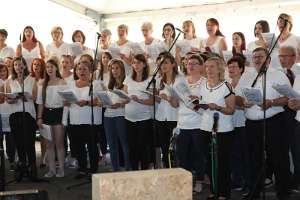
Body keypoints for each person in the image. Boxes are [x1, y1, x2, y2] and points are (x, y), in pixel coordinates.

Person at [236, 47, 291, 200]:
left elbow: (289, 98)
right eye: (254, 57)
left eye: (260, 56)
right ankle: (255, 193)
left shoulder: (278, 75)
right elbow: (237, 97)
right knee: (253, 159)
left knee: (278, 158)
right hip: (252, 124)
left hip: (274, 122)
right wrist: (243, 102)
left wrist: (272, 102)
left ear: (268, 59)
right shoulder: (247, 75)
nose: (257, 59)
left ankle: (283, 193)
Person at [199, 57, 235, 200]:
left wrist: (218, 107)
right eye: (207, 66)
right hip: (205, 127)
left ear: (219, 68)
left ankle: (224, 193)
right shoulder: (204, 85)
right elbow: (202, 106)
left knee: (223, 163)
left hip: (223, 130)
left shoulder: (226, 86)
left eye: (212, 67)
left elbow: (231, 110)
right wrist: (195, 104)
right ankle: (214, 190)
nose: (208, 70)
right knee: (208, 161)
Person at [175, 54, 206, 193]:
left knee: (199, 154)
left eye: (194, 63)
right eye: (188, 63)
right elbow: (176, 103)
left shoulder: (205, 82)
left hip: (198, 124)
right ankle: (185, 183)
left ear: (201, 66)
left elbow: (207, 102)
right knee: (183, 156)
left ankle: (199, 181)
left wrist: (198, 99)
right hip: (183, 123)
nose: (190, 65)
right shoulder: (180, 81)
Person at [4, 57, 39, 181]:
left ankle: (33, 170)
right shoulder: (9, 81)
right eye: (16, 65)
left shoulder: (32, 79)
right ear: (13, 67)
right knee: (19, 143)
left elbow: (35, 97)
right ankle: (22, 168)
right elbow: (7, 98)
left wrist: (26, 97)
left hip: (28, 114)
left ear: (24, 66)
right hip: (14, 114)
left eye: (20, 65)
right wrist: (13, 99)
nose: (18, 67)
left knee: (29, 143)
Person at [67, 59, 102, 178]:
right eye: (79, 69)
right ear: (76, 71)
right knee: (78, 146)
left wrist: (87, 102)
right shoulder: (71, 84)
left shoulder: (96, 84)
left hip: (90, 120)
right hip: (75, 119)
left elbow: (100, 100)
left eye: (84, 69)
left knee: (92, 145)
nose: (81, 71)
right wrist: (66, 100)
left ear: (90, 71)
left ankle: (93, 169)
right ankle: (82, 168)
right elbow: (66, 100)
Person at [36, 59, 67, 178]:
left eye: (52, 67)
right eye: (47, 67)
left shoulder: (62, 82)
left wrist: (64, 120)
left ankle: (61, 170)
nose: (49, 69)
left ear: (56, 68)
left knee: (59, 144)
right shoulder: (42, 83)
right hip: (46, 114)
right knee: (49, 144)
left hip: (58, 113)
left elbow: (66, 103)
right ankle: (52, 170)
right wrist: (39, 117)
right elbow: (40, 103)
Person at [124, 54, 153, 170]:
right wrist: (125, 98)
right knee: (132, 146)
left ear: (144, 65)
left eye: (139, 63)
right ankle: (134, 171)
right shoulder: (128, 78)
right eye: (134, 62)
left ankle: (144, 171)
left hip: (144, 118)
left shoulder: (150, 80)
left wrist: (140, 100)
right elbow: (125, 95)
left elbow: (153, 101)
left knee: (143, 147)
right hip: (129, 117)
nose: (136, 65)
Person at [104, 59, 130, 171]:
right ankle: (115, 168)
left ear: (122, 69)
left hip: (121, 115)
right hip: (108, 116)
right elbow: (107, 99)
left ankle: (128, 167)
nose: (114, 71)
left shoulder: (127, 82)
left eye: (117, 68)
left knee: (124, 143)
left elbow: (128, 100)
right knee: (112, 144)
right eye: (112, 68)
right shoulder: (109, 83)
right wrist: (102, 102)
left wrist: (119, 104)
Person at [227, 56, 248, 191]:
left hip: (243, 123)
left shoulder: (246, 83)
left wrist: (234, 102)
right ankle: (237, 180)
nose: (231, 69)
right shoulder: (226, 83)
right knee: (234, 153)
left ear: (241, 68)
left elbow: (246, 104)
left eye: (234, 67)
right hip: (230, 123)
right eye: (229, 67)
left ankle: (247, 181)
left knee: (245, 154)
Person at [155, 52, 179, 168]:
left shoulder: (180, 80)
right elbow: (159, 100)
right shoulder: (159, 80)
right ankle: (166, 171)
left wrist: (169, 98)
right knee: (164, 148)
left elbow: (180, 102)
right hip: (161, 117)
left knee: (175, 149)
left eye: (166, 63)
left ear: (173, 64)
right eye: (161, 64)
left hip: (174, 117)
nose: (163, 66)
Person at [0, 63, 16, 170]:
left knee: (11, 139)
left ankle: (12, 161)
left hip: (10, 113)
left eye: (4, 71)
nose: (2, 73)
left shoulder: (11, 81)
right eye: (0, 72)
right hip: (0, 113)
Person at [288, 74, 300, 190]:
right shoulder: (298, 77)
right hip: (298, 122)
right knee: (297, 157)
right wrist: (292, 104)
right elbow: (294, 101)